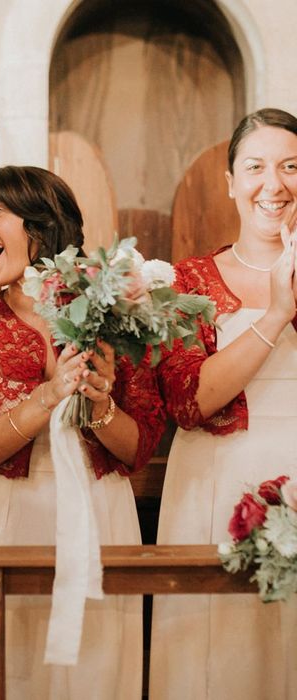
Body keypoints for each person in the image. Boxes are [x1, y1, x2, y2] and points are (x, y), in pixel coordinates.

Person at [0, 165, 165, 699]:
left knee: (92, 669)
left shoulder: (118, 317)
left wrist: (101, 403)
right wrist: (47, 396)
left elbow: (140, 449)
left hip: (98, 513)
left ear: (41, 224)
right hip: (6, 517)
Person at [149, 108, 297, 700]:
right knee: (220, 661)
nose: (275, 184)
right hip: (217, 484)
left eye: (291, 167)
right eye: (256, 167)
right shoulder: (190, 281)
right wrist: (279, 310)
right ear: (231, 181)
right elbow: (190, 403)